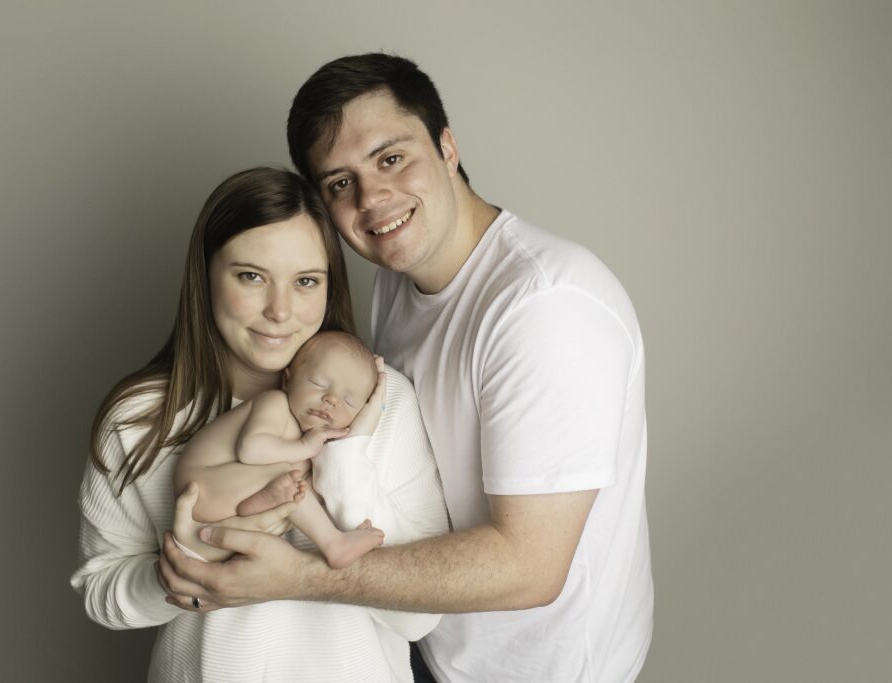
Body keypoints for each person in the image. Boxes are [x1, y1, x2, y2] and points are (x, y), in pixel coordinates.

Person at [158, 54, 654, 682]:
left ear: (447, 146)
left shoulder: (545, 309)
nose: (372, 198)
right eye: (340, 183)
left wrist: (304, 576)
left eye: (391, 158)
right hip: (422, 641)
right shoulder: (397, 283)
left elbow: (531, 566)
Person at [71, 166, 449, 682]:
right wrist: (182, 570)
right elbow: (101, 593)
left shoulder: (383, 404)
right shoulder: (140, 419)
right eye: (251, 276)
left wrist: (346, 458)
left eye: (306, 281)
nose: (280, 311)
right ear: (204, 276)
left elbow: (420, 618)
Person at [171, 330, 387, 569]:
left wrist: (358, 435)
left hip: (226, 505)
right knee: (287, 476)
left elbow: (331, 489)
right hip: (202, 484)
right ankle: (334, 544)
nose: (331, 400)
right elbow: (250, 449)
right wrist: (304, 447)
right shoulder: (275, 404)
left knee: (297, 487)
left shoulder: (315, 444)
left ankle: (258, 504)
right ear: (287, 380)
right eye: (318, 384)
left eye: (349, 401)